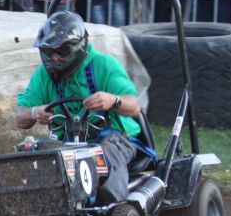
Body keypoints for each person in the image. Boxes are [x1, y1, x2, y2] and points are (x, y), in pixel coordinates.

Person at [17, 11, 142, 203]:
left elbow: (134, 107)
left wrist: (112, 100)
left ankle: (114, 205)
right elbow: (21, 117)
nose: (55, 59)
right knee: (32, 150)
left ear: (78, 47)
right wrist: (34, 112)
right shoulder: (43, 75)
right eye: (49, 53)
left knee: (106, 150)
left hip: (115, 138)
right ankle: (29, 204)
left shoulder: (104, 65)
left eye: (61, 52)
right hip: (66, 143)